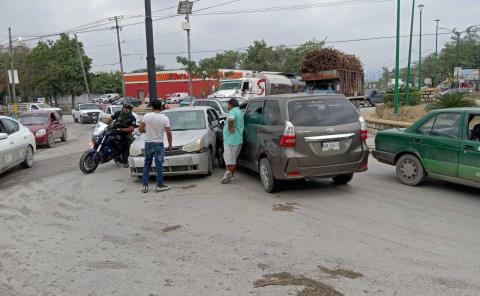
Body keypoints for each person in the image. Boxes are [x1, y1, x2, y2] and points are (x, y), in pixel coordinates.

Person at [139, 99, 173, 193]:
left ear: (152, 107)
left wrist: (148, 132)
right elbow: (169, 133)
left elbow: (140, 129)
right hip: (159, 144)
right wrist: (170, 144)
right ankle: (159, 186)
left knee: (147, 164)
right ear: (161, 107)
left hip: (148, 143)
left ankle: (145, 186)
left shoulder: (146, 116)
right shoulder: (165, 118)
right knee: (159, 165)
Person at [221, 98, 244, 184]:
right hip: (237, 140)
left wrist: (230, 128)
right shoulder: (239, 112)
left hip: (231, 141)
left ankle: (228, 174)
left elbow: (231, 119)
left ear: (231, 104)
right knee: (231, 159)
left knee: (230, 160)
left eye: (228, 104)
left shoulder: (232, 112)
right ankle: (232, 177)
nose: (227, 106)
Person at [107, 103, 136, 168]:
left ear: (129, 110)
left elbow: (131, 128)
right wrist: (107, 125)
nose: (126, 109)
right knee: (107, 138)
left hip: (125, 133)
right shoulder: (118, 113)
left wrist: (122, 129)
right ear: (122, 108)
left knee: (124, 146)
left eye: (127, 108)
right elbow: (109, 119)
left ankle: (125, 162)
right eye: (125, 108)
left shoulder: (132, 118)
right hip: (114, 130)